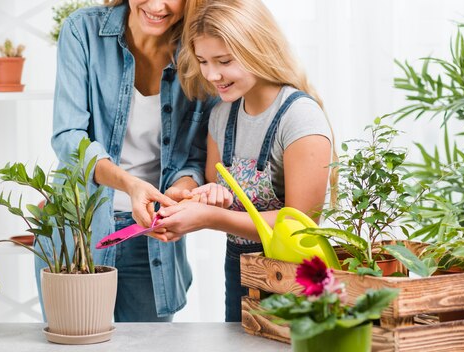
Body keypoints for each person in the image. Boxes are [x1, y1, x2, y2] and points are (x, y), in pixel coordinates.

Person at [156, 0, 337, 322]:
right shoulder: (222, 114)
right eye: (203, 61)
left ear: (258, 49)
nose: (212, 74)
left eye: (224, 61)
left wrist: (210, 217)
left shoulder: (299, 117)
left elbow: (301, 228)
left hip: (292, 276)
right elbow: (215, 186)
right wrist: (205, 197)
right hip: (239, 269)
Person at [39, 0, 216, 322]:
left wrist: (181, 189)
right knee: (77, 338)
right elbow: (68, 135)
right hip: (79, 228)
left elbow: (196, 155)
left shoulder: (202, 49)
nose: (157, 5)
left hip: (149, 234)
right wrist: (130, 184)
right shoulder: (84, 30)